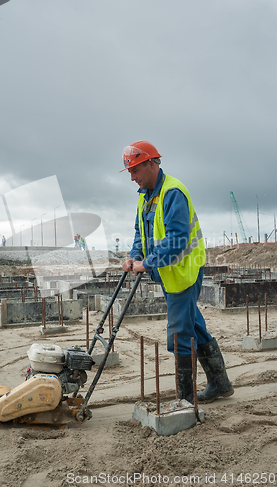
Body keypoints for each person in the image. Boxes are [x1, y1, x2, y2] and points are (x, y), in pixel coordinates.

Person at [121, 140, 234, 403]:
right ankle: (220, 383)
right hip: (169, 273)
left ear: (152, 164)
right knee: (193, 324)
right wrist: (134, 255)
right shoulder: (145, 196)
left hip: (184, 271)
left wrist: (146, 264)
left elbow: (176, 239)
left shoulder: (172, 192)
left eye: (135, 171)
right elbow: (142, 232)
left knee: (180, 332)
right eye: (129, 173)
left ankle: (186, 399)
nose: (132, 178)